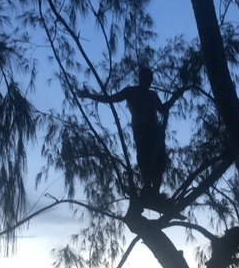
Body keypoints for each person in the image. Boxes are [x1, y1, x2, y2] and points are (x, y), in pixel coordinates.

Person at [78, 67, 185, 195]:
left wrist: (175, 97)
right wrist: (90, 95)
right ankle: (147, 189)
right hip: (141, 130)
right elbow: (110, 99)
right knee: (144, 161)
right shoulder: (130, 91)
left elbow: (162, 109)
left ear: (151, 80)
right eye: (143, 78)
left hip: (155, 131)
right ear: (139, 78)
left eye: (149, 79)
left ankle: (156, 193)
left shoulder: (153, 95)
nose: (146, 81)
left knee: (159, 162)